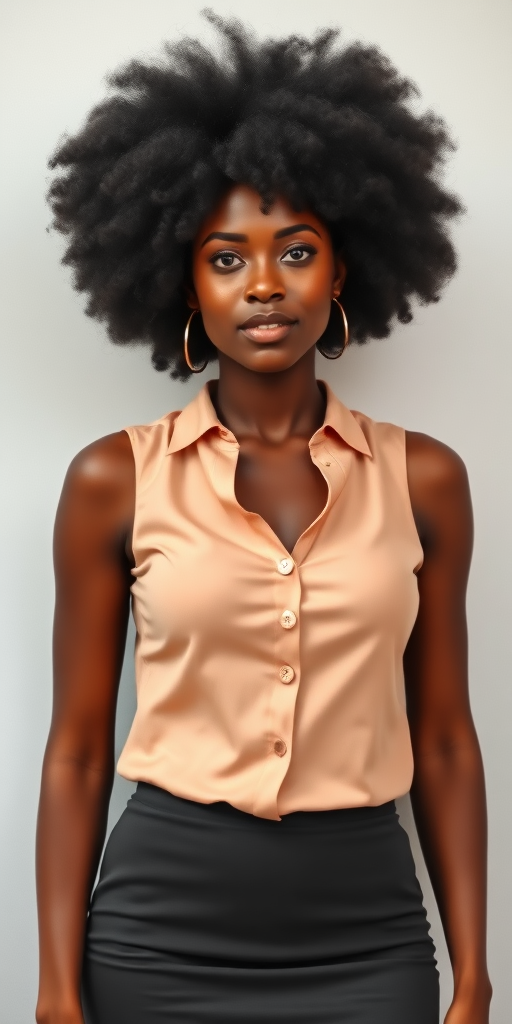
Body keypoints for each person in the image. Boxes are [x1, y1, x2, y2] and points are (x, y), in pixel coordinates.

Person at [35, 12, 491, 1024]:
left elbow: (446, 740)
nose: (265, 286)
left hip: (366, 932)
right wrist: (57, 989)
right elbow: (74, 749)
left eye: (294, 250)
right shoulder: (115, 478)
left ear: (341, 274)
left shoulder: (425, 480)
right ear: (182, 286)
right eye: (226, 258)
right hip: (157, 932)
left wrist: (472, 973)